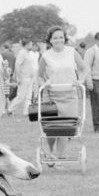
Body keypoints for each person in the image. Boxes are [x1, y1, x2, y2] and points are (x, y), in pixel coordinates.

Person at [38, 25, 87, 160]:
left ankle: (58, 157)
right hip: (51, 96)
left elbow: (83, 68)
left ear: (64, 39)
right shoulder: (46, 56)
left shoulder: (72, 52)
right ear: (50, 40)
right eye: (55, 38)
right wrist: (44, 84)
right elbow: (39, 76)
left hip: (70, 95)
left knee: (66, 128)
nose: (58, 40)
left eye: (61, 37)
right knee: (52, 130)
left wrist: (80, 80)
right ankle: (51, 151)